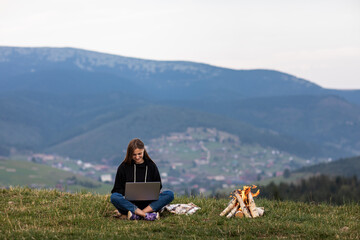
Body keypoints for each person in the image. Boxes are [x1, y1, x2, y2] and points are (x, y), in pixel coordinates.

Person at [110, 138, 174, 221]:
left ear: (143, 151)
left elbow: (158, 185)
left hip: (149, 205)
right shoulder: (123, 167)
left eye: (139, 154)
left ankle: (137, 215)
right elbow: (116, 190)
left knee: (169, 194)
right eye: (134, 155)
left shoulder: (151, 166)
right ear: (129, 154)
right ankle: (145, 215)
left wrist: (155, 192)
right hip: (129, 204)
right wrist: (128, 192)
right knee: (114, 197)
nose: (137, 157)